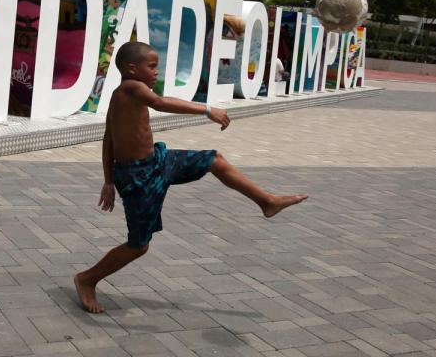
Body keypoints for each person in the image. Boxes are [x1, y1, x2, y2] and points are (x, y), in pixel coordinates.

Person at [73, 42, 308, 314]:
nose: (156, 72)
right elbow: (160, 103)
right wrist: (208, 110)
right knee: (138, 246)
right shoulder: (131, 88)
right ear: (131, 69)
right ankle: (86, 279)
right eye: (152, 67)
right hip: (138, 178)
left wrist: (108, 180)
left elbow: (108, 138)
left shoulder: (124, 95)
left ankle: (266, 201)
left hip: (158, 162)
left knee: (214, 160)